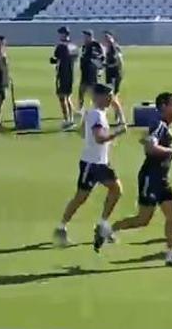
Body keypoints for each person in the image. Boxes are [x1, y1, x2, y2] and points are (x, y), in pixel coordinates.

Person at [99, 92, 172, 267]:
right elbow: (150, 147)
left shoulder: (161, 124)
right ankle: (109, 229)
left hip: (161, 178)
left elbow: (149, 142)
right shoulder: (160, 125)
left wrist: (167, 147)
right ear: (163, 106)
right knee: (142, 220)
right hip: (152, 177)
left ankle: (171, 256)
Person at [53, 84, 127, 247]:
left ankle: (102, 225)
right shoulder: (96, 115)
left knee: (116, 190)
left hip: (100, 162)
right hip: (92, 164)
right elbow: (99, 138)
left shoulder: (96, 113)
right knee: (81, 197)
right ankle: (62, 227)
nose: (111, 99)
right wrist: (116, 133)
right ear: (99, 97)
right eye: (108, 96)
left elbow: (82, 133)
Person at [50, 26, 77, 130]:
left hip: (62, 74)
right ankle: (71, 119)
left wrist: (53, 60)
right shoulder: (73, 46)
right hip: (71, 73)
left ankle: (67, 120)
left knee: (62, 97)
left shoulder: (61, 46)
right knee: (68, 96)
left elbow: (56, 59)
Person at [78, 29, 105, 124]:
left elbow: (102, 58)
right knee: (81, 91)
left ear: (90, 36)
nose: (84, 38)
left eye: (86, 36)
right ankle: (80, 109)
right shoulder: (84, 46)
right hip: (84, 72)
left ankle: (97, 109)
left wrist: (100, 69)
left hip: (93, 72)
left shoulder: (96, 45)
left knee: (93, 92)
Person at [103, 30, 125, 125]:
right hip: (109, 74)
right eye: (105, 37)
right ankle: (118, 117)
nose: (106, 39)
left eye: (108, 37)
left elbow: (119, 61)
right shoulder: (107, 48)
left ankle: (121, 118)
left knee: (112, 97)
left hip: (114, 75)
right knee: (112, 97)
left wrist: (110, 67)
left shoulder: (115, 48)